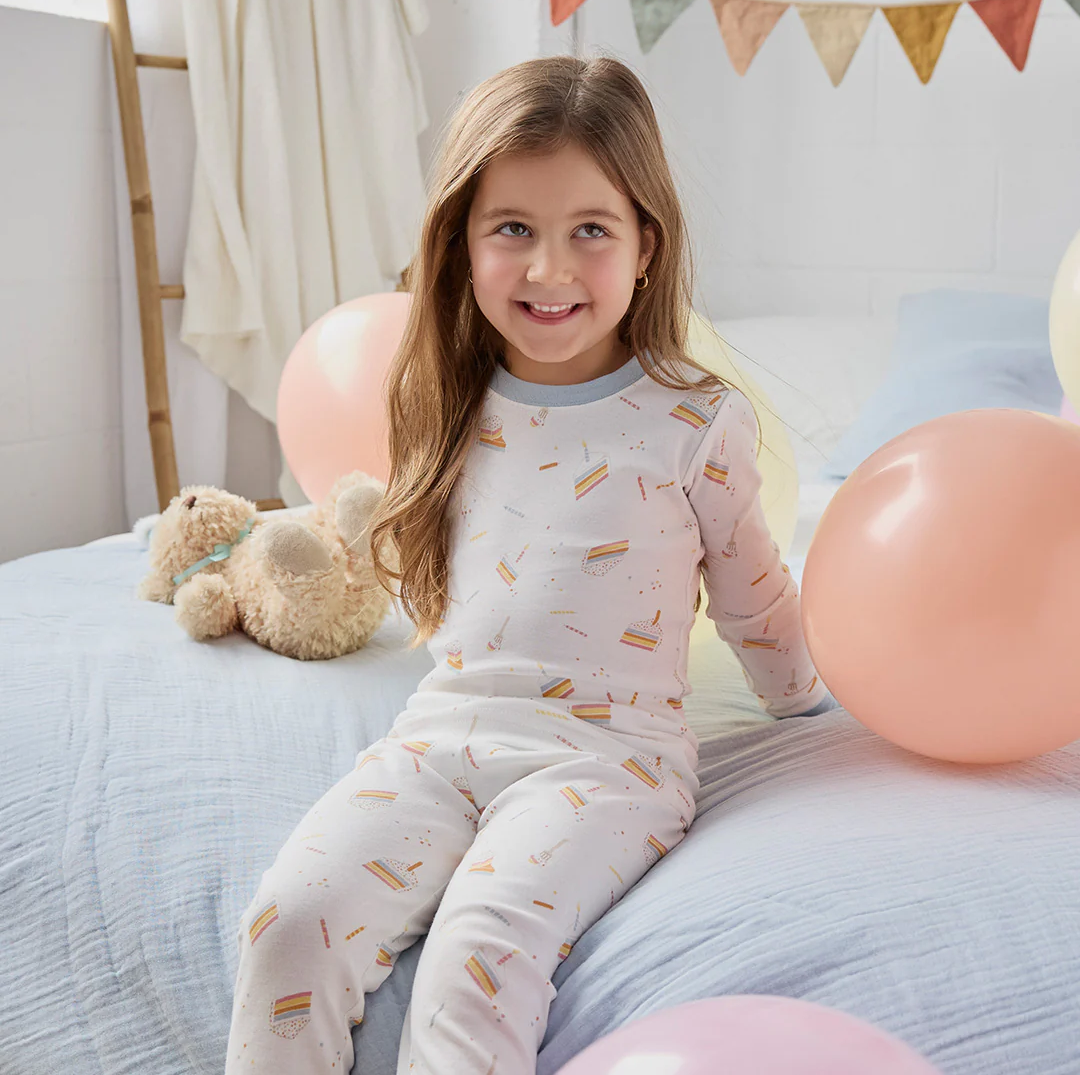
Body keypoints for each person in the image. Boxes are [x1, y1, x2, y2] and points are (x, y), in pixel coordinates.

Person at [224, 54, 833, 1075]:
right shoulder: (447, 395)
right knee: (287, 926)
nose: (549, 269)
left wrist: (806, 702)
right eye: (513, 229)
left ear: (646, 245)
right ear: (462, 246)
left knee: (477, 961)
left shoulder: (693, 420)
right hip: (439, 742)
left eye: (589, 231)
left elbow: (752, 588)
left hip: (606, 761)